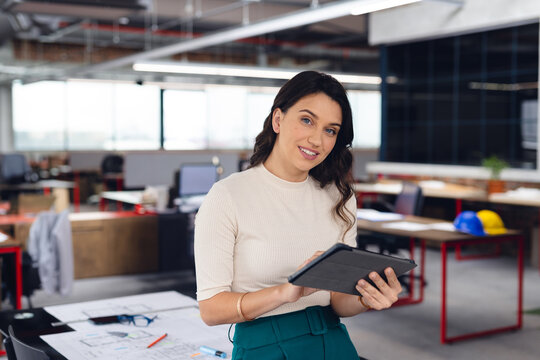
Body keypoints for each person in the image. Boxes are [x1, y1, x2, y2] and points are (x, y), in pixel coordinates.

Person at [194, 71, 402, 360]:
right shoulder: (227, 196)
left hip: (332, 341)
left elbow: (340, 303)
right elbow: (211, 308)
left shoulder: (339, 198)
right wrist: (286, 292)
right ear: (278, 120)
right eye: (307, 120)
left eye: (330, 130)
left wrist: (367, 297)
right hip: (262, 345)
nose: (317, 140)